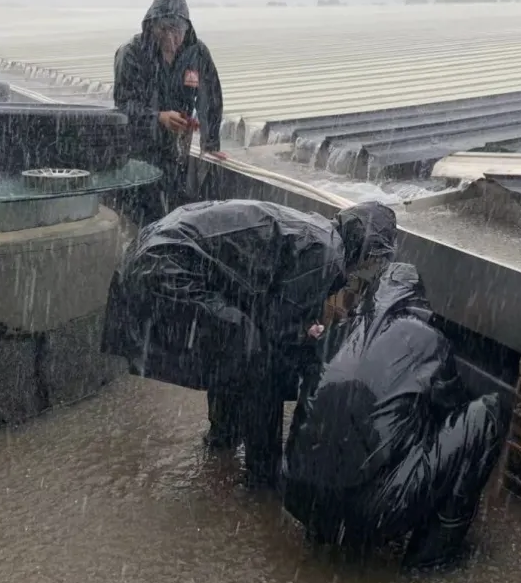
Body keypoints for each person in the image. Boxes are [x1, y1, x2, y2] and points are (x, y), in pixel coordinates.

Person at [100, 199, 399, 488]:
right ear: (366, 245)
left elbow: (267, 304)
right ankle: (263, 473)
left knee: (233, 346)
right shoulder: (326, 252)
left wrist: (298, 329)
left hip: (154, 253)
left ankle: (224, 437)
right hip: (168, 266)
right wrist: (306, 338)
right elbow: (276, 329)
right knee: (257, 358)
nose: (372, 267)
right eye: (375, 258)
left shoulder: (317, 233)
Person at [282, 262, 504, 572]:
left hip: (297, 495)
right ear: (417, 302)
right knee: (487, 414)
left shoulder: (337, 333)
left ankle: (322, 530)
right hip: (373, 515)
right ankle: (431, 558)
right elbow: (453, 411)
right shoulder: (428, 340)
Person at [113, 0, 225, 227]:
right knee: (142, 216)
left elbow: (211, 97)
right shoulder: (131, 54)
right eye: (163, 30)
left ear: (186, 29)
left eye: (176, 31)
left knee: (176, 216)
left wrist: (210, 142)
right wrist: (158, 117)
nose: (171, 40)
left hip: (175, 155)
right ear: (151, 27)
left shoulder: (197, 53)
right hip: (138, 154)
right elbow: (123, 108)